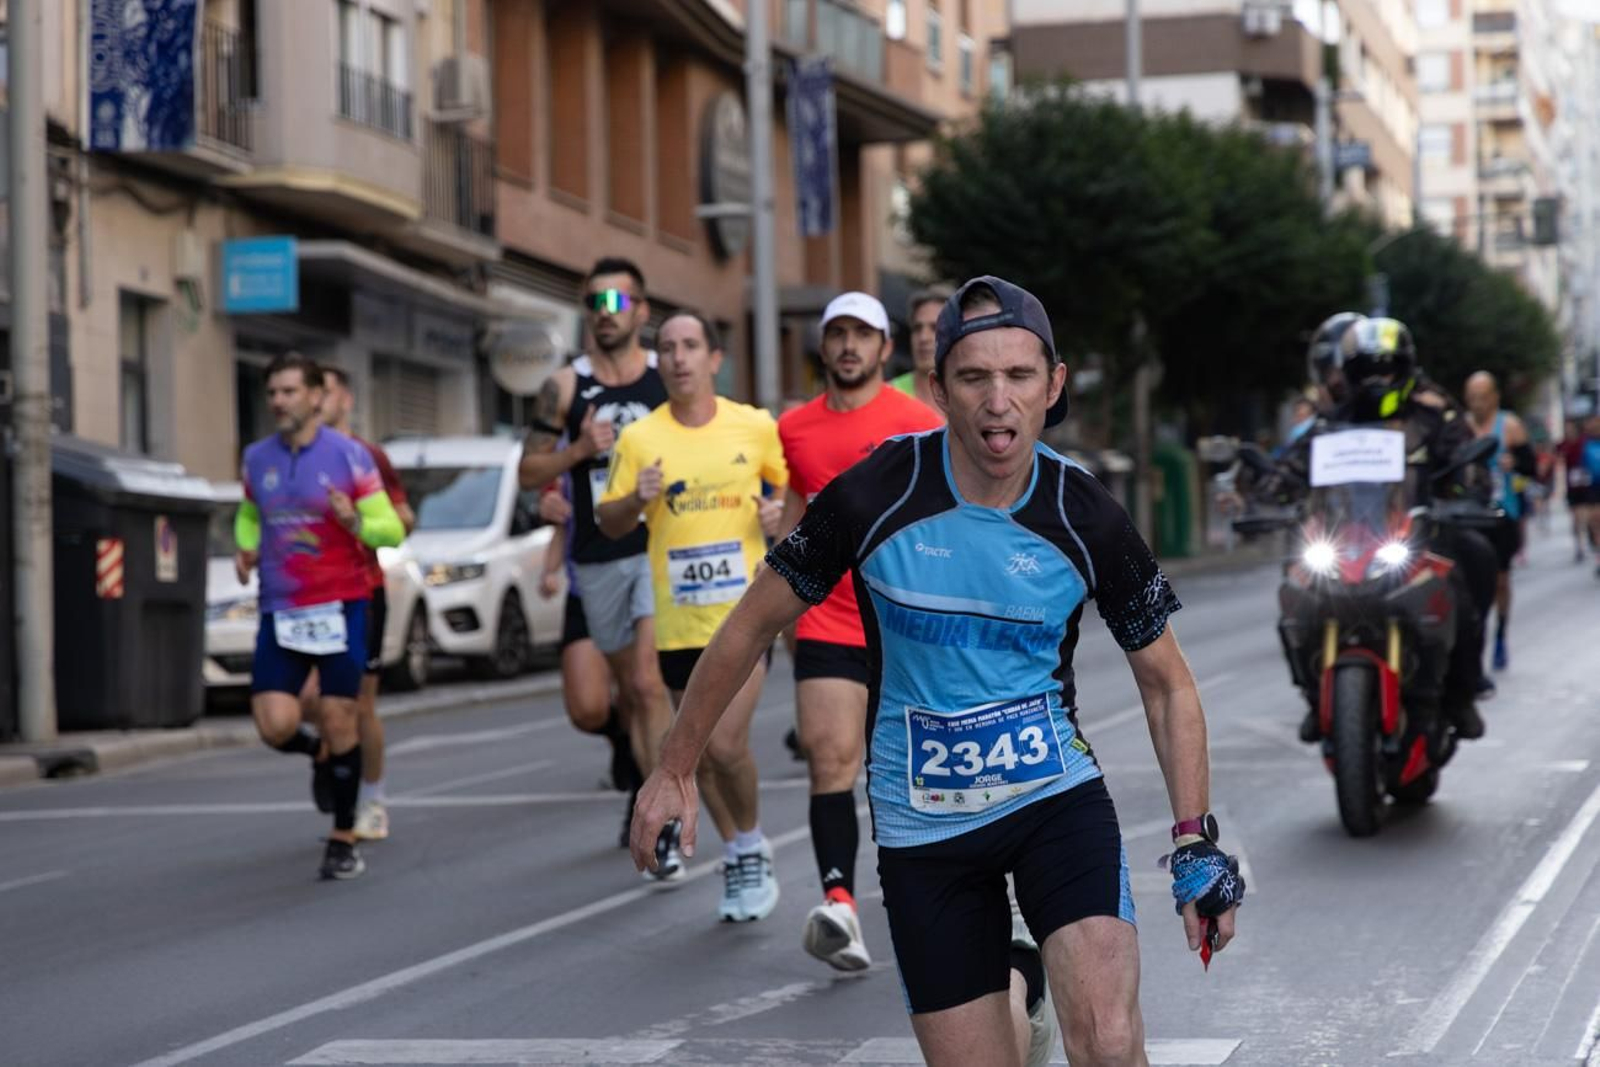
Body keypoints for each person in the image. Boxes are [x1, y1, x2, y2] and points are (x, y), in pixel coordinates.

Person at [631, 278, 1244, 1067]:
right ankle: (1021, 987)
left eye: (1020, 375)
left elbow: (1167, 683)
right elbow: (750, 623)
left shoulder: (1086, 513)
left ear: (1053, 385)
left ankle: (1034, 987)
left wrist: (1194, 840)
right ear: (937, 388)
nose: (998, 400)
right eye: (974, 377)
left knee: (1110, 1038)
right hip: (924, 823)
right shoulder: (875, 494)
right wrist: (674, 767)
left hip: (1052, 797)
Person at [598, 310, 789, 921]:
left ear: (714, 358)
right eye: (667, 347)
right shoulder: (639, 439)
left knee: (725, 742)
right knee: (696, 753)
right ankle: (736, 851)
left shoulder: (753, 426)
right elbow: (608, 520)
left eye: (690, 346)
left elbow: (794, 492)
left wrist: (778, 515)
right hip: (679, 622)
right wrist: (636, 498)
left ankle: (751, 843)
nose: (678, 357)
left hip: (746, 617)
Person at [776, 291, 943, 970]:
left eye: (862, 334)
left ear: (884, 348)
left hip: (904, 622)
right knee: (830, 758)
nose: (849, 345)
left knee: (913, 772)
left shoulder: (919, 423)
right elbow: (793, 516)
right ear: (823, 346)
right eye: (837, 333)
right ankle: (840, 905)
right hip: (828, 617)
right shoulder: (793, 428)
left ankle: (940, 895)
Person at [1255, 316, 1495, 738]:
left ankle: (1461, 694)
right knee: (1294, 585)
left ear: (1404, 368)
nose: (1376, 380)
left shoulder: (1433, 410)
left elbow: (1468, 463)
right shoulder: (1334, 419)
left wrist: (1468, 485)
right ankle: (1312, 693)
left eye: (1386, 369)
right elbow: (1291, 467)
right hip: (1345, 540)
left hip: (1418, 535)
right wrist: (1268, 490)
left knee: (1474, 557)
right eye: (1365, 370)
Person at [517, 257, 674, 864]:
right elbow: (528, 471)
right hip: (595, 557)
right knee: (590, 706)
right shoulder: (564, 386)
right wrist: (578, 449)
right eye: (593, 303)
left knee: (645, 683)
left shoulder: (665, 377)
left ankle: (658, 816)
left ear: (641, 311)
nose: (603, 314)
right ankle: (631, 754)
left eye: (615, 302)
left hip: (655, 551)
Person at [235, 353, 406, 880]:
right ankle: (319, 754)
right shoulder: (256, 457)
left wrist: (357, 523)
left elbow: (392, 530)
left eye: (289, 392)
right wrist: (245, 547)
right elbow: (249, 514)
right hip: (281, 608)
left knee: (340, 715)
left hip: (341, 603)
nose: (278, 401)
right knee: (274, 724)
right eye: (272, 393)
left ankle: (343, 838)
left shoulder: (351, 455)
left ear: (315, 396)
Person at [313, 367, 416, 841]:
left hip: (362, 589)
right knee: (309, 699)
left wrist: (361, 521)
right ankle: (326, 751)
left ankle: (372, 800)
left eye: (326, 391)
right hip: (307, 594)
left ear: (345, 400)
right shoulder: (289, 457)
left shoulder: (366, 456)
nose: (316, 400)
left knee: (360, 701)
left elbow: (404, 519)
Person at [536, 478, 636, 817]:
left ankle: (642, 794)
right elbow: (563, 522)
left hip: (640, 584)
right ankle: (622, 736)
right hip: (587, 589)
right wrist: (549, 571)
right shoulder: (573, 458)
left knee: (640, 691)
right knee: (586, 710)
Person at [1464, 372, 1535, 672]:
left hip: (1503, 514)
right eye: (1471, 397)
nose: (1477, 403)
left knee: (1500, 581)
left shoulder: (1509, 425)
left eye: (1482, 397)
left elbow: (1531, 466)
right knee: (1470, 585)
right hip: (1469, 514)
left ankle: (1501, 635)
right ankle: (1474, 643)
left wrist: (1514, 463)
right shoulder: (1462, 427)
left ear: (1494, 397)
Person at [891, 286, 953, 412]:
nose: (923, 337)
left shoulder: (974, 396)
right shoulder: (890, 394)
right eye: (917, 328)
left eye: (935, 328)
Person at [1557, 418, 1594, 563]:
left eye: (1571, 428)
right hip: (1571, 486)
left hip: (1586, 485)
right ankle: (1579, 546)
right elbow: (1557, 460)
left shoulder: (1584, 442)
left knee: (1586, 516)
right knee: (1575, 519)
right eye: (1566, 428)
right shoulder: (1563, 445)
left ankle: (1589, 540)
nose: (1569, 430)